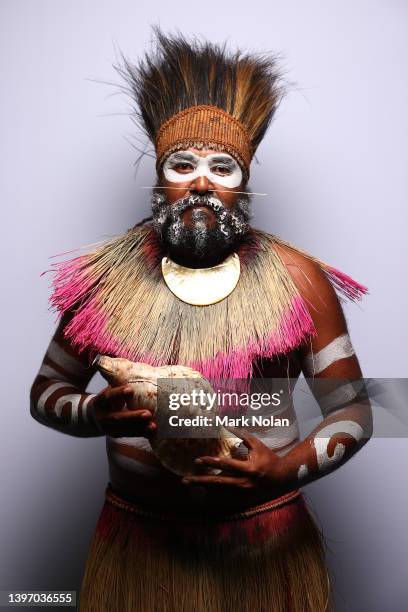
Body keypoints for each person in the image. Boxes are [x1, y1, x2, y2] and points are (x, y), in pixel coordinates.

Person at [30, 29, 372, 612]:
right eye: (182, 164)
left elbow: (362, 409)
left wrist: (284, 468)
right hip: (140, 548)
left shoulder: (298, 279)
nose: (202, 182)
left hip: (262, 547)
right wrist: (94, 412)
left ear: (245, 184)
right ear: (161, 177)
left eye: (223, 167)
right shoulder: (104, 280)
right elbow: (45, 393)